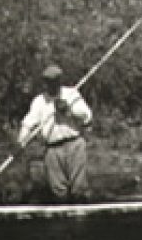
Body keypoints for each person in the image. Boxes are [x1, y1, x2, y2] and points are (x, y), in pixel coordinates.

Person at [18, 65, 94, 202]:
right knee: (59, 191)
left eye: (55, 81)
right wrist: (20, 141)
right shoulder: (39, 101)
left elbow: (87, 116)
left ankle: (81, 218)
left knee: (79, 188)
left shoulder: (71, 94)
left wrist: (69, 110)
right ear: (45, 83)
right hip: (52, 150)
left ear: (60, 80)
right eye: (49, 82)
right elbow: (27, 124)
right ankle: (62, 220)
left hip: (75, 145)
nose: (52, 84)